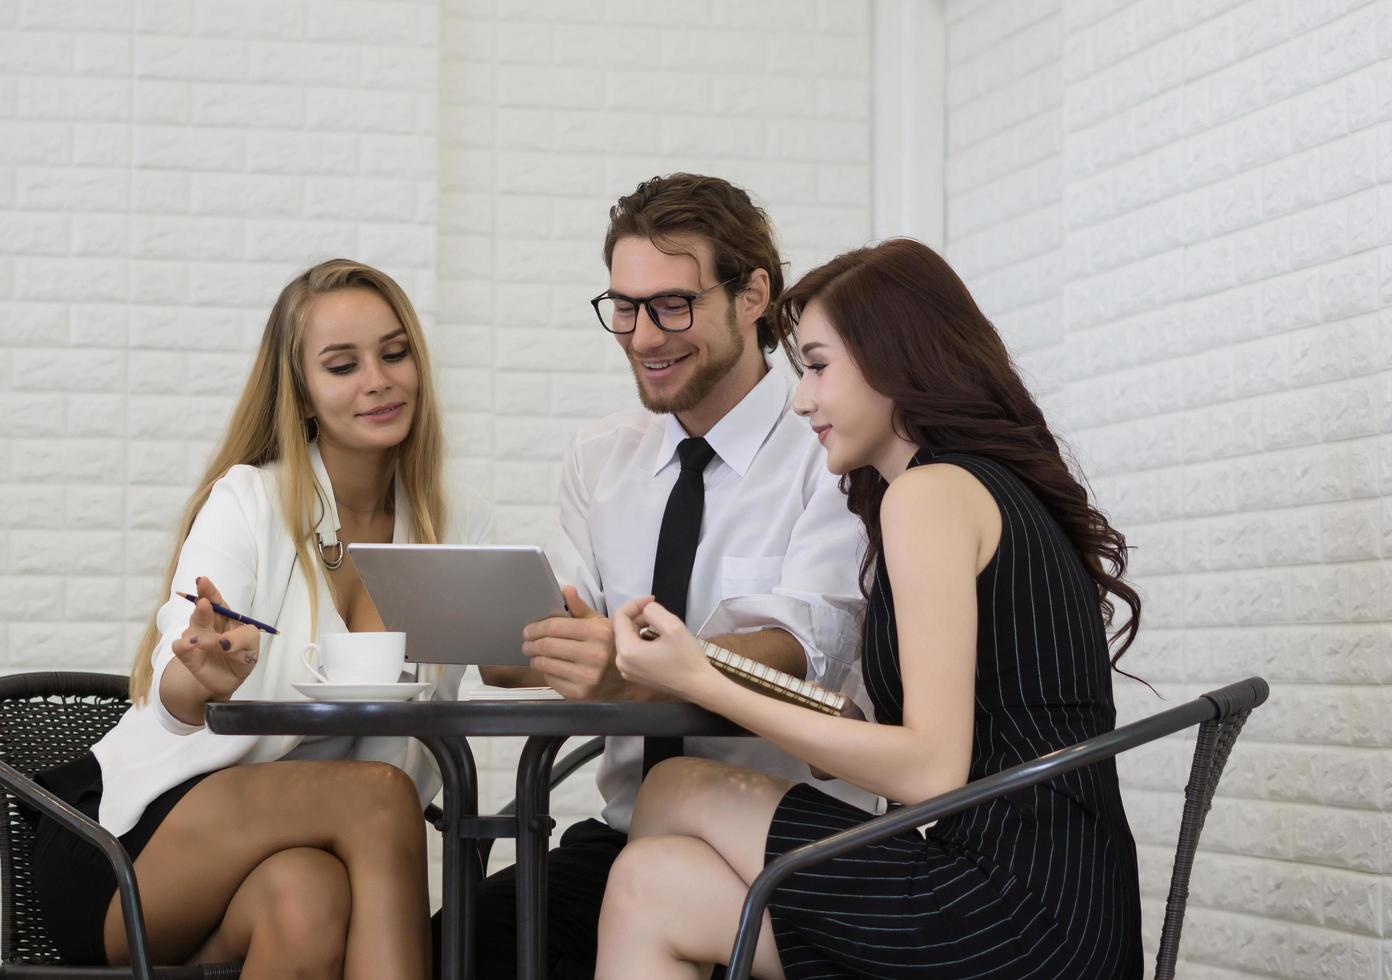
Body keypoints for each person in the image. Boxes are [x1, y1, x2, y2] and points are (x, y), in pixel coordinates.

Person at [597, 238, 1146, 979]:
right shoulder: (975, 486)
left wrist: (701, 680)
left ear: (897, 361)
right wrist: (834, 726)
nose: (801, 399)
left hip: (1009, 914)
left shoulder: (931, 494)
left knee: (675, 786)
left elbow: (929, 769)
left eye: (818, 365)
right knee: (647, 887)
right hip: (1068, 907)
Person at [25, 259, 491, 978]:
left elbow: (499, 659)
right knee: (376, 798)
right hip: (134, 853)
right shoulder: (247, 500)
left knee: (306, 899)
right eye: (342, 366)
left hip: (288, 858)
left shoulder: (440, 530)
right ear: (301, 393)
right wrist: (200, 673)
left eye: (394, 354)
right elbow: (177, 698)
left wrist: (557, 645)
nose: (378, 380)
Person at [473, 173, 876, 977]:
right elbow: (543, 638)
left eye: (672, 305)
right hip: (630, 825)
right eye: (624, 307)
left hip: (786, 834)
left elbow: (804, 650)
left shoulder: (827, 449)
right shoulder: (601, 457)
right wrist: (537, 642)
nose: (644, 336)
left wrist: (622, 666)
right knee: (466, 938)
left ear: (752, 294)